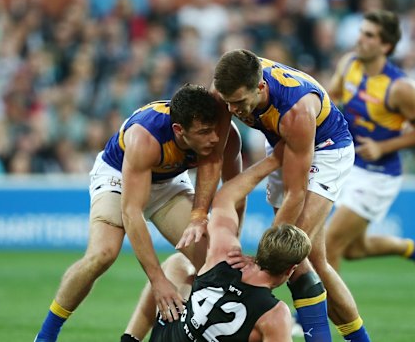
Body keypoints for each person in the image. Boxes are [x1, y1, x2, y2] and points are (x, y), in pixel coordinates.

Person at [34, 83, 242, 342]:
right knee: (102, 254)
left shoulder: (224, 135)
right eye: (204, 132)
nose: (213, 138)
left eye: (215, 130)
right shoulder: (144, 136)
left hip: (168, 183)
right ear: (179, 130)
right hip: (119, 177)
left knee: (217, 263)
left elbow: (233, 190)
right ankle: (46, 335)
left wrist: (215, 230)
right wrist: (158, 281)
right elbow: (132, 213)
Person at [207, 49, 371, 342]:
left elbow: (296, 193)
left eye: (240, 103)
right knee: (313, 261)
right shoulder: (226, 91)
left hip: (326, 149)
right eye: (229, 103)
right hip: (284, 143)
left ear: (260, 88)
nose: (233, 111)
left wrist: (262, 260)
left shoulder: (296, 111)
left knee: (291, 255)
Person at [122, 142, 312, 342]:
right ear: (291, 269)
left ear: (261, 250)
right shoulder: (275, 314)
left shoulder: (224, 255)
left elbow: (226, 196)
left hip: (168, 337)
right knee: (179, 264)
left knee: (178, 264)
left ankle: (129, 339)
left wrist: (273, 160)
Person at [324, 10, 415, 289]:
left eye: (369, 35)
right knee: (352, 250)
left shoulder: (400, 88)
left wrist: (382, 146)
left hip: (378, 175)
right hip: (349, 164)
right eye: (361, 32)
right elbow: (330, 100)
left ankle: (314, 320)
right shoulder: (348, 64)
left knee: (328, 244)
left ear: (385, 46)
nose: (360, 39)